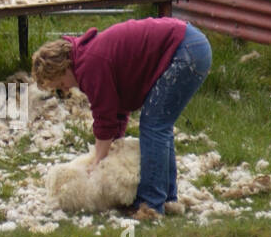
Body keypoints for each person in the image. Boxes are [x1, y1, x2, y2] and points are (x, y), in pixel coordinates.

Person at [31, 16, 213, 221]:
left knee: (154, 125)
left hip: (185, 50)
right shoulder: (87, 58)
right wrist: (113, 146)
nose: (65, 88)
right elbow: (118, 110)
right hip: (190, 46)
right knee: (159, 125)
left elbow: (104, 116)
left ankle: (151, 204)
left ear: (63, 68)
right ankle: (167, 198)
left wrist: (98, 158)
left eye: (60, 83)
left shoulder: (90, 64)